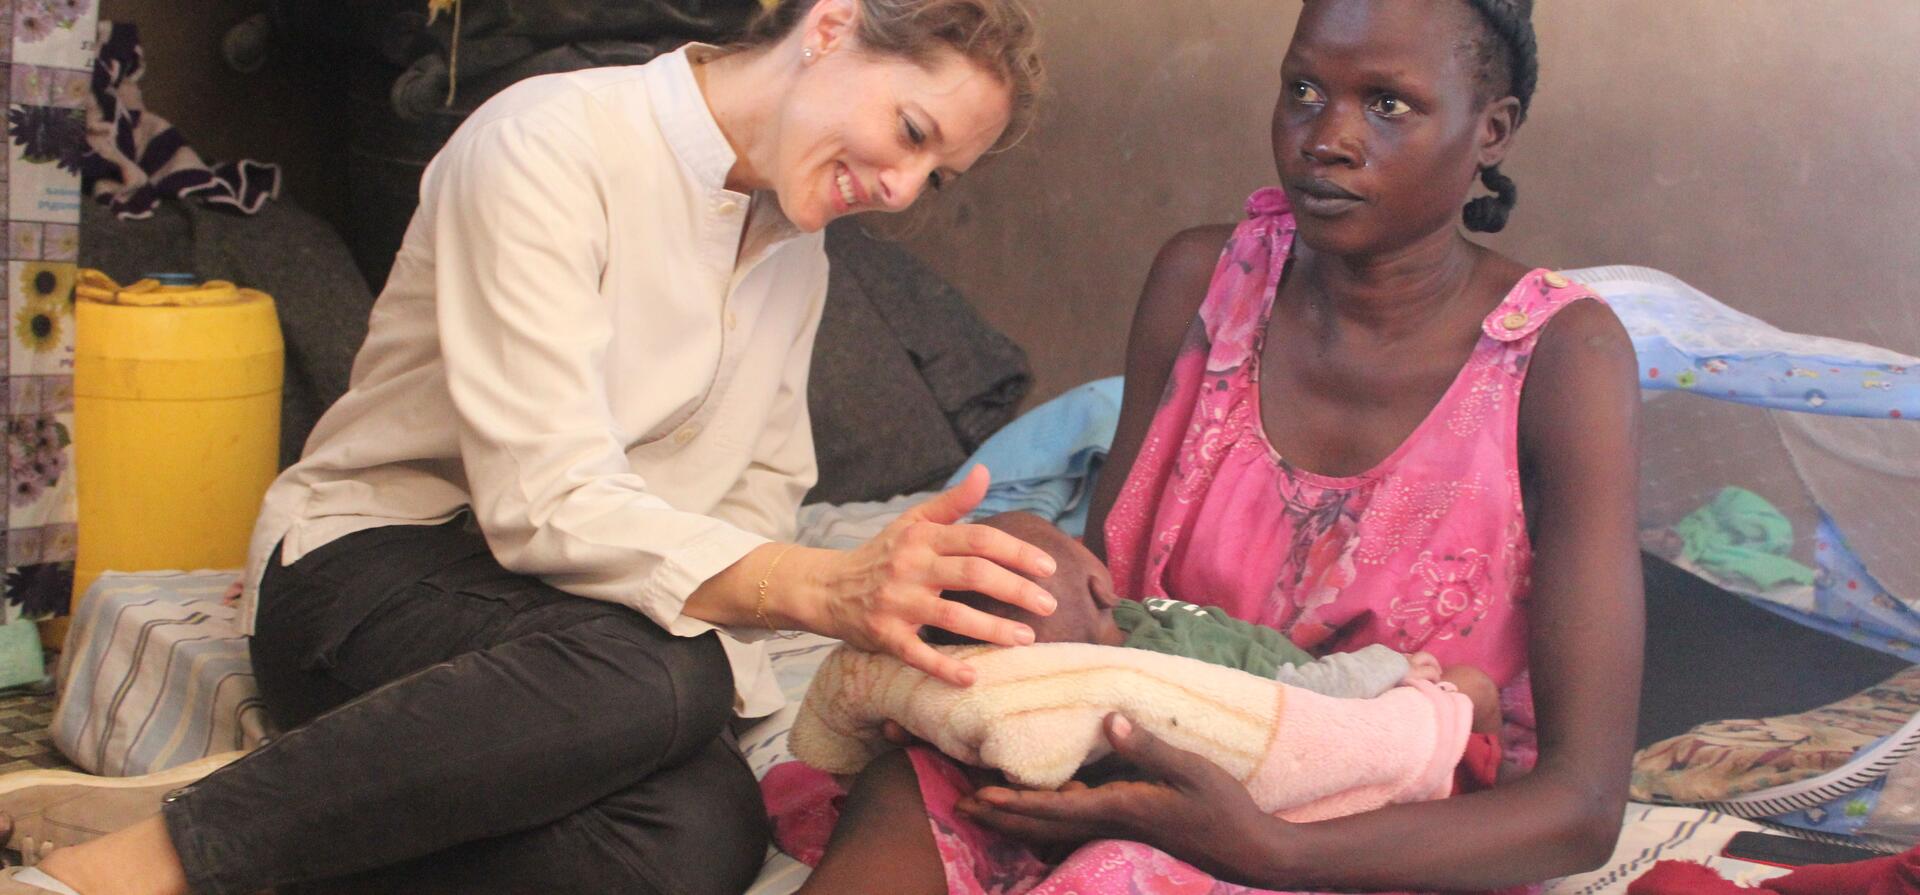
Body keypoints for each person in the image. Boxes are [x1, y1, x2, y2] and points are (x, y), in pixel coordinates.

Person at [0, 1, 1048, 894]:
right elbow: (541, 499)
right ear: (830, 28)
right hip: (372, 568)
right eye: (911, 130)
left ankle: (272, 805)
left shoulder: (795, 251)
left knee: (699, 837)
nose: (903, 187)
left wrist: (740, 612)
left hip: (579, 630)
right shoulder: (549, 142)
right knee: (671, 675)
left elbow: (761, 488)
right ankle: (139, 864)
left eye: (937, 175)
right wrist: (813, 586)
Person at [804, 1, 1646, 893]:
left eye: (1388, 104)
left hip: (1379, 842)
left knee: (1123, 869)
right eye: (1304, 90)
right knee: (916, 782)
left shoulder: (1563, 359)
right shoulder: (1204, 284)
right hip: (1123, 771)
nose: (1327, 138)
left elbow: (1583, 808)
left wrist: (1267, 847)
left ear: (1493, 130)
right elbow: (1103, 604)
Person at [777, 511, 1506, 895]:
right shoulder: (1130, 669)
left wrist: (1394, 674)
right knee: (909, 775)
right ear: (1100, 581)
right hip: (1282, 710)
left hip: (1302, 753)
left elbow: (1302, 705)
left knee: (1463, 698)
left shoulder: (1171, 656)